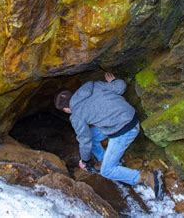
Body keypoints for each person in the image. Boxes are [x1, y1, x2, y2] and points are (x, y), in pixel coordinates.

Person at [54, 72, 165, 200]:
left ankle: (148, 177)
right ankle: (106, 160)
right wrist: (113, 82)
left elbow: (84, 140)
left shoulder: (76, 116)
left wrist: (85, 161)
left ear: (66, 110)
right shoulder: (92, 87)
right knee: (93, 136)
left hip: (124, 130)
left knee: (106, 171)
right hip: (131, 117)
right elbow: (121, 86)